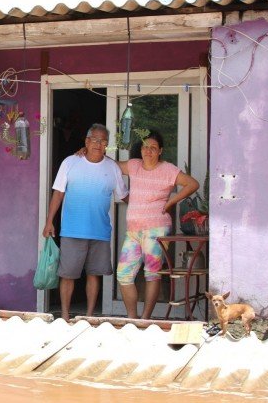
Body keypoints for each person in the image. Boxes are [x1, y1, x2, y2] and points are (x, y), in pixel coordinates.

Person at [42, 123, 128, 321]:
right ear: (87, 142)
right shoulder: (70, 162)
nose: (99, 144)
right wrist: (49, 222)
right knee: (68, 275)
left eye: (103, 141)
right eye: (95, 140)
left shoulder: (112, 167)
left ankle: (89, 316)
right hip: (72, 230)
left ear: (107, 144)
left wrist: (148, 201)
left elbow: (123, 195)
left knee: (94, 274)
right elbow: (58, 193)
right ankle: (64, 315)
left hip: (100, 231)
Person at [116, 130, 199, 319]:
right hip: (133, 231)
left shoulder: (168, 169)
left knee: (152, 274)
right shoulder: (134, 165)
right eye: (145, 146)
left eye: (153, 148)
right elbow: (109, 165)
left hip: (157, 230)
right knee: (123, 275)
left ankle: (145, 318)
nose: (149, 151)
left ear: (160, 151)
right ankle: (132, 318)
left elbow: (192, 184)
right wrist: (87, 152)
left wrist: (171, 202)